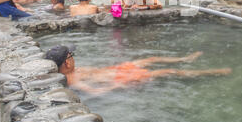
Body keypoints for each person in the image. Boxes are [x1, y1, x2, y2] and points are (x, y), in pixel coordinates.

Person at [45, 46, 232, 95]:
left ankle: (185, 58)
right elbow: (95, 91)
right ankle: (212, 72)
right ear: (67, 63)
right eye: (71, 55)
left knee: (149, 59)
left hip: (115, 70)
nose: (74, 56)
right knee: (167, 72)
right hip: (121, 77)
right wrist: (120, 85)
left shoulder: (72, 72)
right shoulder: (72, 81)